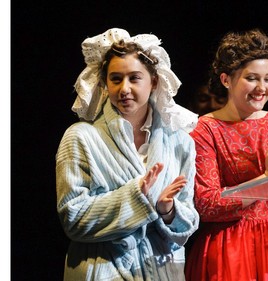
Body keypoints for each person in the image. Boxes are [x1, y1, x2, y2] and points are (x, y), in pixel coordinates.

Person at [55, 28, 200, 281]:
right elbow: (73, 218)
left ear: (153, 81)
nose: (124, 88)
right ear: (104, 83)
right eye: (115, 79)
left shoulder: (180, 142)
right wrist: (136, 196)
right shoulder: (81, 137)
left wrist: (168, 211)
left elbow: (187, 223)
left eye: (134, 78)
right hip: (103, 270)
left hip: (162, 270)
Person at [185, 28, 268, 281]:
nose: (261, 88)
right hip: (230, 248)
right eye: (252, 78)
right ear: (226, 80)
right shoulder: (204, 130)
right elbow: (207, 205)